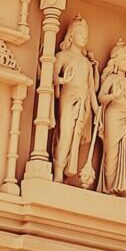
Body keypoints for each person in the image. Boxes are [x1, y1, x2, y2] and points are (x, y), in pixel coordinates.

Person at [94, 39, 126, 196]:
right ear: (115, 60)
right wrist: (112, 96)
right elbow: (101, 98)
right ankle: (109, 189)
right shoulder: (111, 79)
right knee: (111, 154)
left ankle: (120, 186)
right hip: (113, 118)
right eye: (123, 59)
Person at [52, 18, 98, 184]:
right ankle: (57, 171)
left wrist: (96, 109)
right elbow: (51, 77)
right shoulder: (62, 56)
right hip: (68, 99)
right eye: (81, 33)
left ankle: (66, 170)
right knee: (66, 132)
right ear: (71, 35)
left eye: (86, 34)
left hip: (83, 102)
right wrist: (63, 80)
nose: (85, 37)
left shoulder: (86, 64)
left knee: (75, 138)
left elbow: (91, 89)